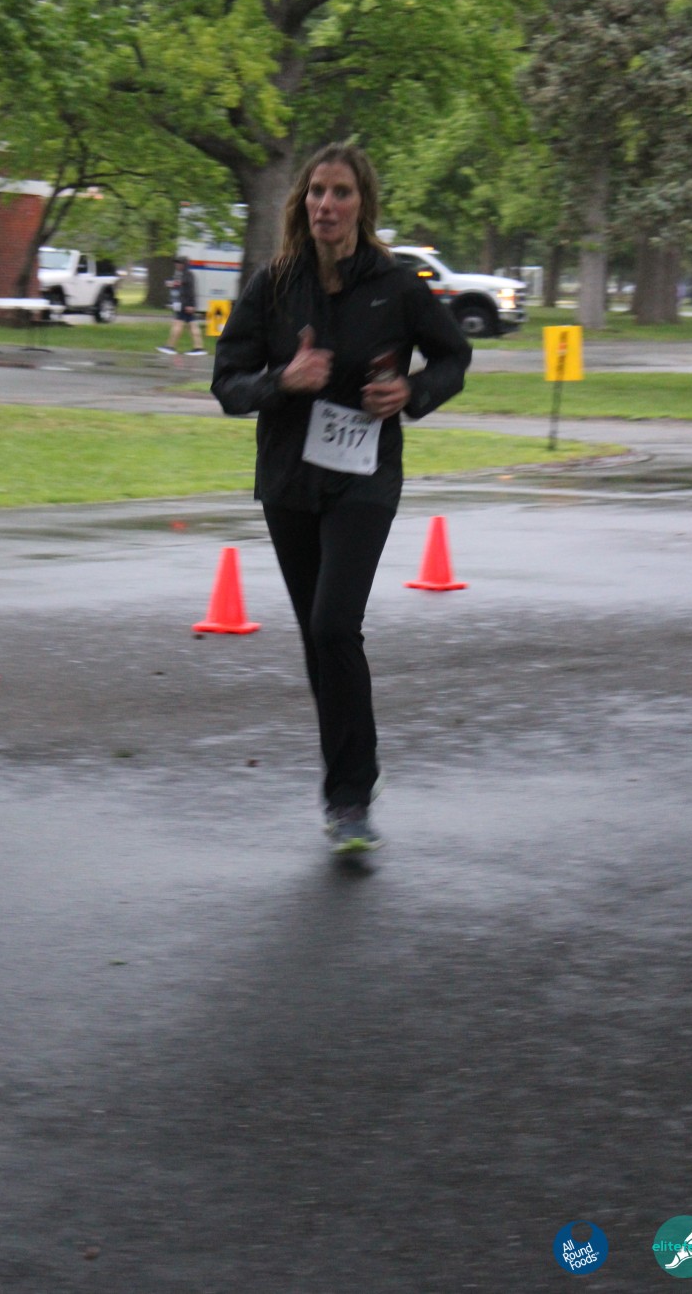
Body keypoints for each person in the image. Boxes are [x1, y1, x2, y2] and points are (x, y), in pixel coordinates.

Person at [211, 142, 472, 855]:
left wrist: (411, 392)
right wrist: (280, 381)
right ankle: (350, 773)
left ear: (363, 204)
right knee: (316, 639)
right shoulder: (274, 284)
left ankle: (350, 795)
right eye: (317, 192)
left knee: (334, 626)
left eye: (341, 192)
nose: (327, 204)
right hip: (290, 479)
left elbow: (453, 357)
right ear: (303, 202)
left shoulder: (397, 285)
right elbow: (228, 382)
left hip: (364, 477)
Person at [157, 256, 205, 355]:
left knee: (178, 324)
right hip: (185, 304)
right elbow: (177, 285)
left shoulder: (187, 275)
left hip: (185, 305)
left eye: (179, 263)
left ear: (184, 264)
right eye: (176, 263)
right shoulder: (183, 274)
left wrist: (191, 305)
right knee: (192, 325)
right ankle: (198, 347)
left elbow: (190, 291)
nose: (177, 265)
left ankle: (170, 346)